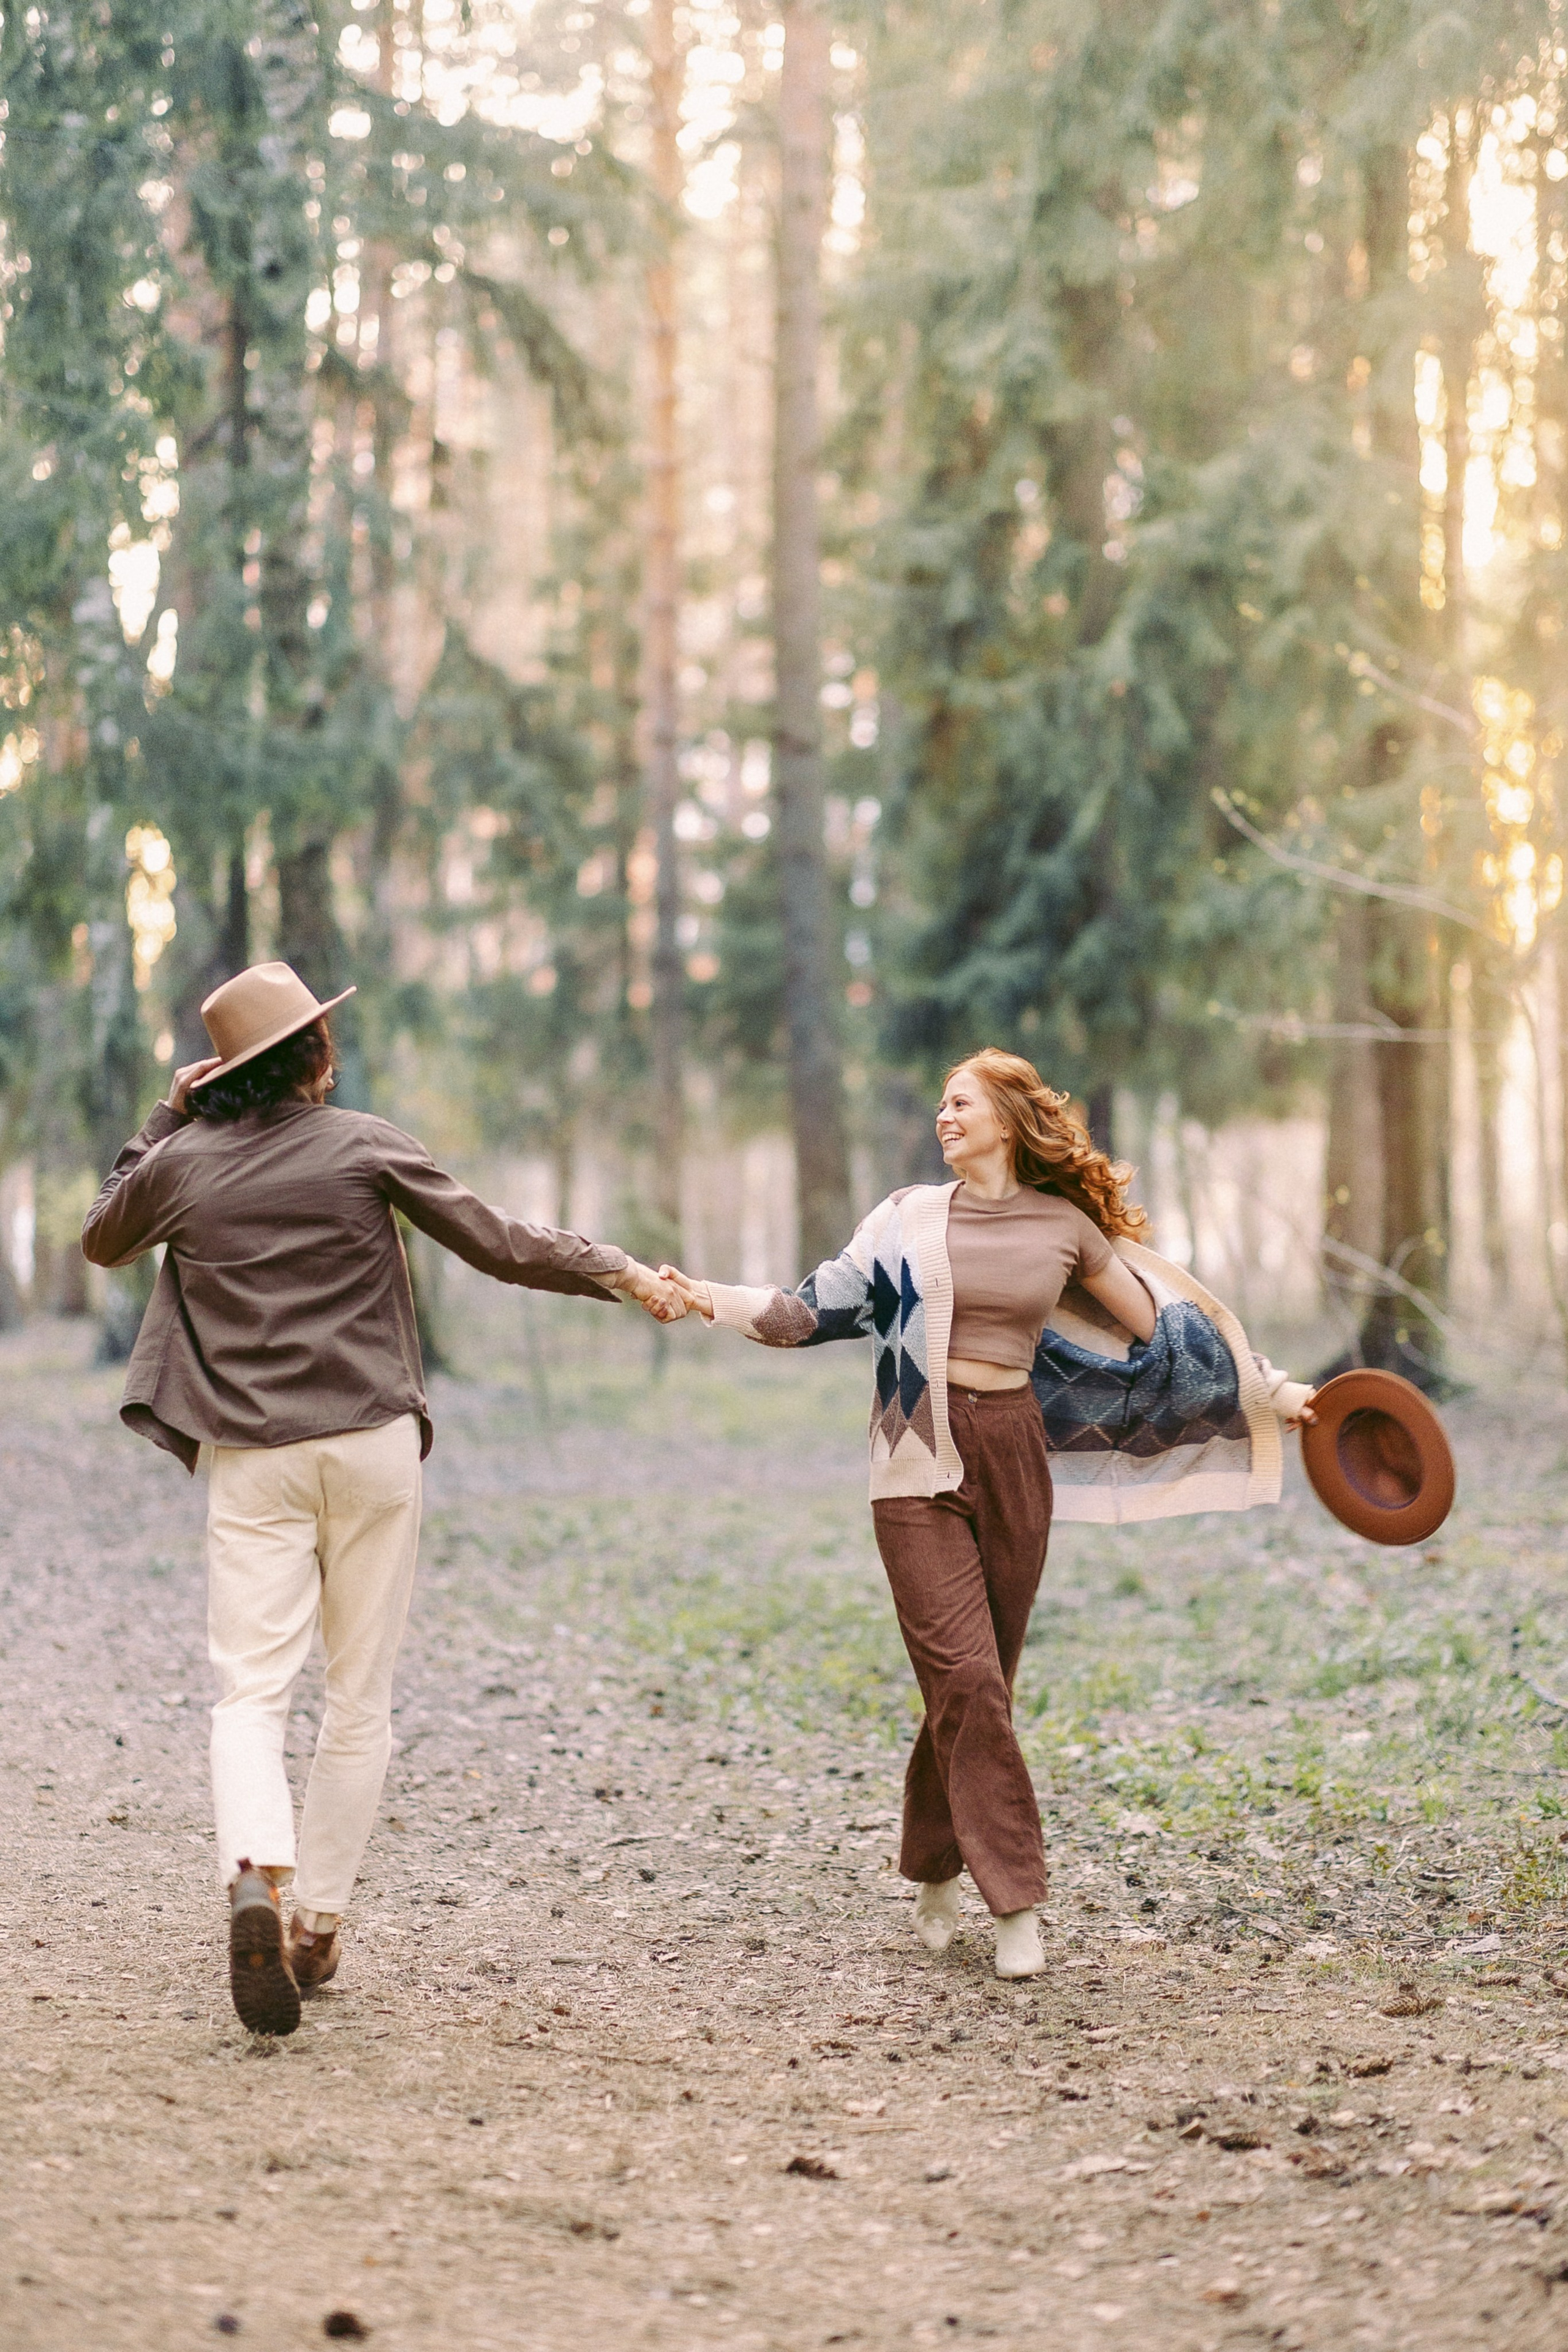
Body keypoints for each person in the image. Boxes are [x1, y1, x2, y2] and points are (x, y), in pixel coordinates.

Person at [81, 960, 684, 2037]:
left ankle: (255, 1875)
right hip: (370, 1447)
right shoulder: (361, 1142)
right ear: (313, 1057)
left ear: (221, 1074)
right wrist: (621, 1272)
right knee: (359, 1698)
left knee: (249, 1697)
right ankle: (315, 1926)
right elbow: (498, 1243)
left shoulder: (181, 1166)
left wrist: (164, 1115)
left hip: (254, 1458)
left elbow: (102, 1233)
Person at [660, 1049, 1314, 1980]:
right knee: (965, 1677)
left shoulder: (1065, 1229)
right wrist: (705, 1299)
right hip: (913, 1457)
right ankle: (1018, 1903)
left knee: (980, 1683)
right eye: (940, 1104)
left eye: (960, 1102)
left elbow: (1169, 1337)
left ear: (1008, 1119)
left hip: (1013, 1453)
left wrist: (1273, 1392)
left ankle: (935, 1864)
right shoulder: (902, 1221)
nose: (944, 1115)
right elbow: (805, 1315)